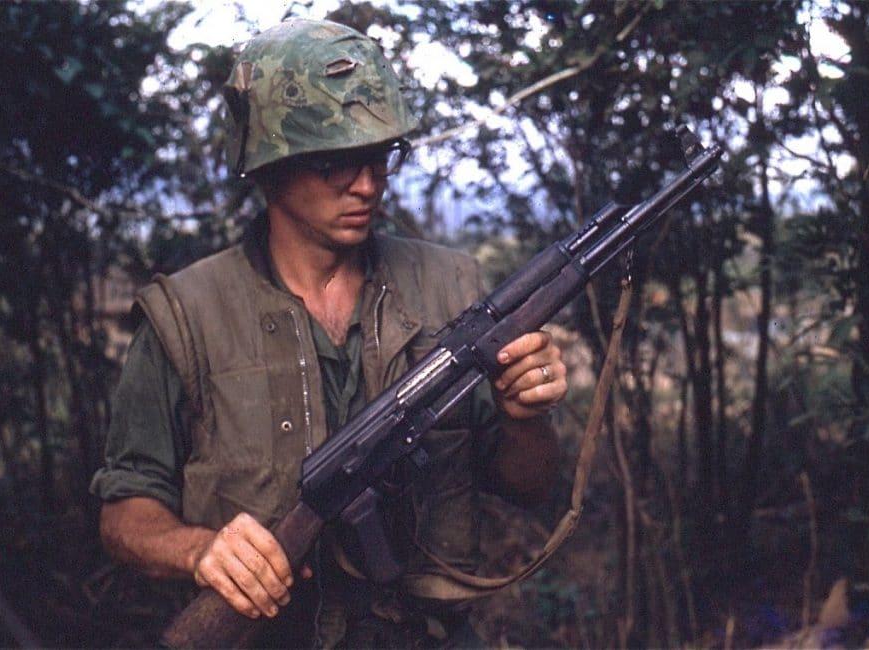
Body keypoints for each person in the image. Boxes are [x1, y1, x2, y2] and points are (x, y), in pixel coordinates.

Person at [91, 18, 567, 648]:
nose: (367, 184)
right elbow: (124, 512)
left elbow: (528, 486)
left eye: (378, 155)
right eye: (334, 163)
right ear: (266, 167)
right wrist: (202, 550)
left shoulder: (450, 289)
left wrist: (525, 415)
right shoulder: (187, 316)